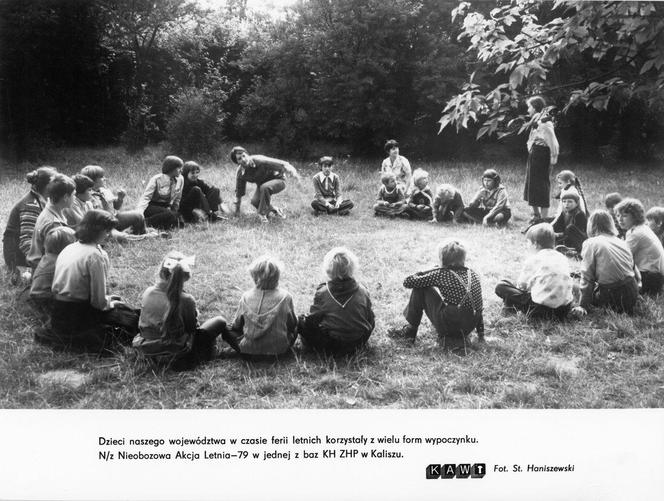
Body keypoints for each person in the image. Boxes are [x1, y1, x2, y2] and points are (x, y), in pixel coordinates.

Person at [35, 210, 139, 353]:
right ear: (97, 230)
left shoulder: (69, 248)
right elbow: (98, 303)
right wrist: (111, 302)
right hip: (78, 313)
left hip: (58, 311)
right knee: (131, 317)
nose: (109, 234)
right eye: (107, 231)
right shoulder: (95, 255)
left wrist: (107, 300)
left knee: (125, 312)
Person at [132, 252, 236, 370]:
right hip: (177, 355)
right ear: (185, 276)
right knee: (219, 321)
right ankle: (225, 350)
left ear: (161, 272)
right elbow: (192, 329)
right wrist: (195, 314)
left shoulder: (148, 292)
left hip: (147, 351)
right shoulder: (186, 299)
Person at [388, 239, 484, 352]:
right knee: (461, 302)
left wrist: (426, 271)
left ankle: (410, 332)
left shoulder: (442, 274)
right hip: (468, 326)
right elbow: (478, 306)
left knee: (421, 289)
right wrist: (481, 335)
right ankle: (465, 335)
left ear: (443, 259)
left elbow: (408, 282)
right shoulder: (473, 274)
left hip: (451, 325)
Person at [298, 247, 375, 354]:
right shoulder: (363, 290)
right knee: (370, 314)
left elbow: (314, 319)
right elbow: (369, 316)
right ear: (353, 268)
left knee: (302, 321)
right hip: (359, 341)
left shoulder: (323, 292)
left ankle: (310, 345)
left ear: (328, 270)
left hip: (332, 344)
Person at [495, 223, 573, 320]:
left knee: (501, 286)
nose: (527, 246)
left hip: (540, 310)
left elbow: (522, 286)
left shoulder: (533, 259)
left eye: (528, 243)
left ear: (535, 244)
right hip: (564, 310)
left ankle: (510, 306)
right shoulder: (562, 257)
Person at [571, 210, 640, 316]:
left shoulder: (591, 243)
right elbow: (634, 269)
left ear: (591, 225)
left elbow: (587, 278)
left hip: (613, 296)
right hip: (632, 290)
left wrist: (583, 305)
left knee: (573, 285)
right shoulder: (621, 242)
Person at [227, 255, 297, 357]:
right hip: (279, 351)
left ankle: (252, 346)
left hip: (248, 351)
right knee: (298, 323)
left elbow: (236, 326)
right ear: (277, 277)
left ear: (254, 277)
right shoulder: (286, 297)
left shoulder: (246, 297)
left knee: (226, 329)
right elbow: (292, 324)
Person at [3, 166, 57, 282]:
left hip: (29, 250)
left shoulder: (41, 200)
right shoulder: (31, 205)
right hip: (18, 256)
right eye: (55, 182)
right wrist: (40, 264)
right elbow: (25, 241)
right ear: (48, 186)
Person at [230, 146, 301, 224]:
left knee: (265, 187)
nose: (243, 159)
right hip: (262, 185)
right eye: (239, 158)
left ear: (247, 154)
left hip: (279, 180)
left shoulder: (259, 160)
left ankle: (262, 214)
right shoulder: (240, 173)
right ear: (237, 163)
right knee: (255, 202)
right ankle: (276, 210)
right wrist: (237, 211)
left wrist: (295, 175)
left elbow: (280, 163)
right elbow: (239, 192)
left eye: (244, 156)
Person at [614, 198, 664, 295]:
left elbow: (621, 257)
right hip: (653, 276)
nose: (620, 219)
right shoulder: (639, 228)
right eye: (618, 215)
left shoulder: (637, 233)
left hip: (651, 278)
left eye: (624, 216)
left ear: (635, 217)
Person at [81, 165, 149, 236]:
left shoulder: (105, 191)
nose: (105, 178)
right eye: (101, 177)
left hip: (114, 217)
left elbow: (116, 207)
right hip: (102, 224)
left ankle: (140, 233)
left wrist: (120, 198)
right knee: (120, 236)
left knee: (138, 215)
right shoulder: (88, 196)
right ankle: (128, 236)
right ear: (92, 180)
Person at [27, 174, 75, 269]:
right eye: (73, 195)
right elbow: (61, 255)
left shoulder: (53, 209)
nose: (75, 198)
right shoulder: (53, 223)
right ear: (65, 197)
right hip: (47, 269)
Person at [523, 96, 559, 224]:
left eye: (529, 107)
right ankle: (536, 215)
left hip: (543, 155)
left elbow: (553, 143)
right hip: (534, 154)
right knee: (531, 183)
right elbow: (532, 138)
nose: (528, 110)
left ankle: (544, 218)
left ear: (535, 107)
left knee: (542, 185)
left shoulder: (545, 123)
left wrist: (553, 160)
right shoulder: (536, 120)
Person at [29, 226, 76, 317]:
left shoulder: (49, 257)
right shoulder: (59, 262)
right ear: (66, 247)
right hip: (45, 299)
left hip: (37, 294)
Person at [137, 156, 184, 230]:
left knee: (179, 221)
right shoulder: (156, 179)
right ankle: (142, 223)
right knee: (170, 216)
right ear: (171, 168)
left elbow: (178, 198)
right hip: (151, 206)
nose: (181, 170)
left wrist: (174, 212)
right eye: (179, 168)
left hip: (165, 207)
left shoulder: (180, 179)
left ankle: (158, 224)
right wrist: (139, 212)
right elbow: (146, 197)